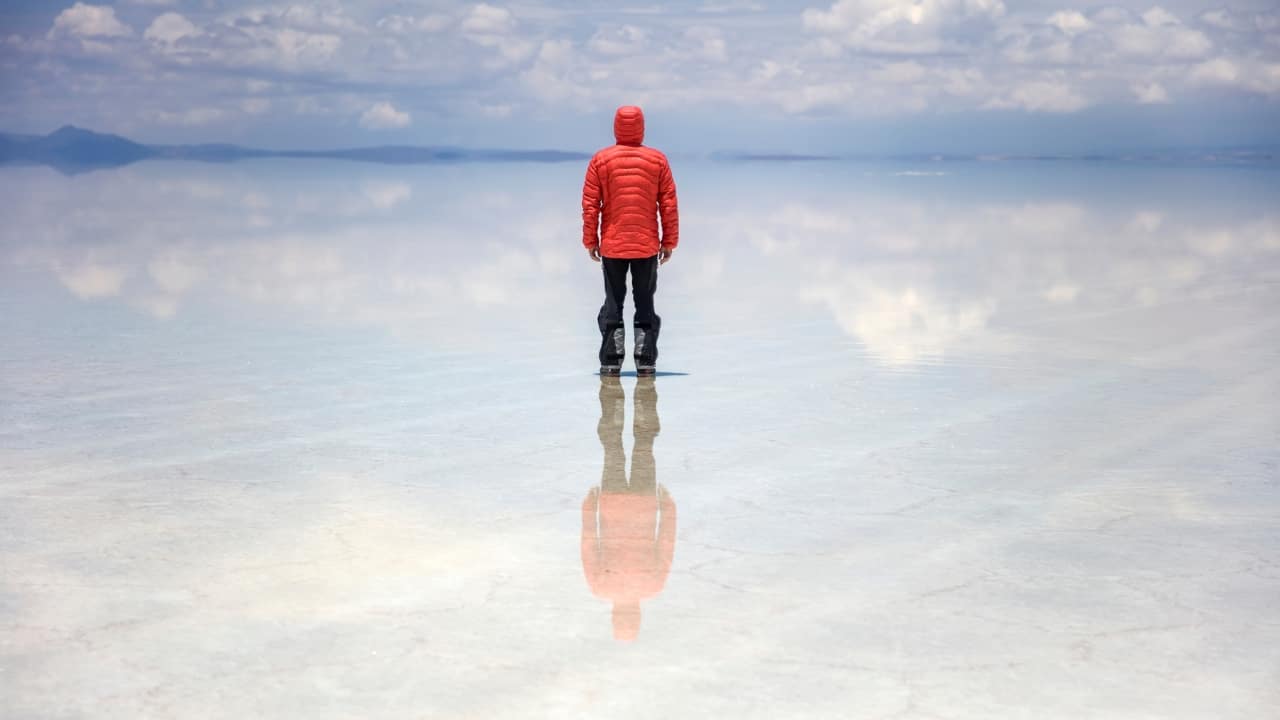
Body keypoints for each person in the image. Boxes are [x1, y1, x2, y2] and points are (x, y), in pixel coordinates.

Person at [581, 105, 679, 376]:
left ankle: (611, 362)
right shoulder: (657, 160)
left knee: (614, 303)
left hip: (613, 246)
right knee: (644, 302)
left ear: (616, 127)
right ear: (642, 128)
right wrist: (669, 241)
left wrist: (590, 240)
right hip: (646, 246)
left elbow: (591, 205)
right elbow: (668, 204)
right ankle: (645, 361)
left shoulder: (601, 160)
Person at [581, 375, 676, 641]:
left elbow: (666, 542)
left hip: (644, 501)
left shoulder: (653, 587)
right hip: (612, 502)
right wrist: (589, 509)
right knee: (613, 448)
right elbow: (589, 544)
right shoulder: (601, 587)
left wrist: (668, 508)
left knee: (644, 445)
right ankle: (618, 399)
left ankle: (638, 397)